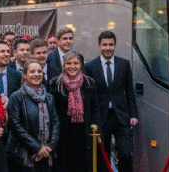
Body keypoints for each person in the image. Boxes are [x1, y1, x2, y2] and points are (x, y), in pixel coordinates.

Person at [84, 31, 138, 172]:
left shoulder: (124, 64)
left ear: (115, 45)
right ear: (99, 45)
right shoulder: (90, 66)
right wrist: (90, 118)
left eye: (111, 45)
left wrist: (133, 114)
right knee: (103, 155)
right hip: (101, 117)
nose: (108, 48)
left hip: (121, 116)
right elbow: (88, 96)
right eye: (105, 45)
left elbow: (129, 92)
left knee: (126, 153)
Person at [50, 51, 100, 172]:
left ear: (81, 65)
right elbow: (53, 111)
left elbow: (95, 108)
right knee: (65, 164)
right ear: (63, 65)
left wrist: (97, 128)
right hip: (64, 133)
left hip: (84, 131)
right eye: (69, 63)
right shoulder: (55, 84)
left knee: (83, 164)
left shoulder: (89, 83)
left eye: (76, 63)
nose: (72, 66)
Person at [7, 59, 59, 172]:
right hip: (24, 155)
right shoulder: (16, 97)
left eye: (39, 71)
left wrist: (50, 146)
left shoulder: (49, 97)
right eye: (32, 72)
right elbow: (16, 126)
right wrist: (37, 147)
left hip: (46, 154)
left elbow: (55, 122)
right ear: (25, 75)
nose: (36, 74)